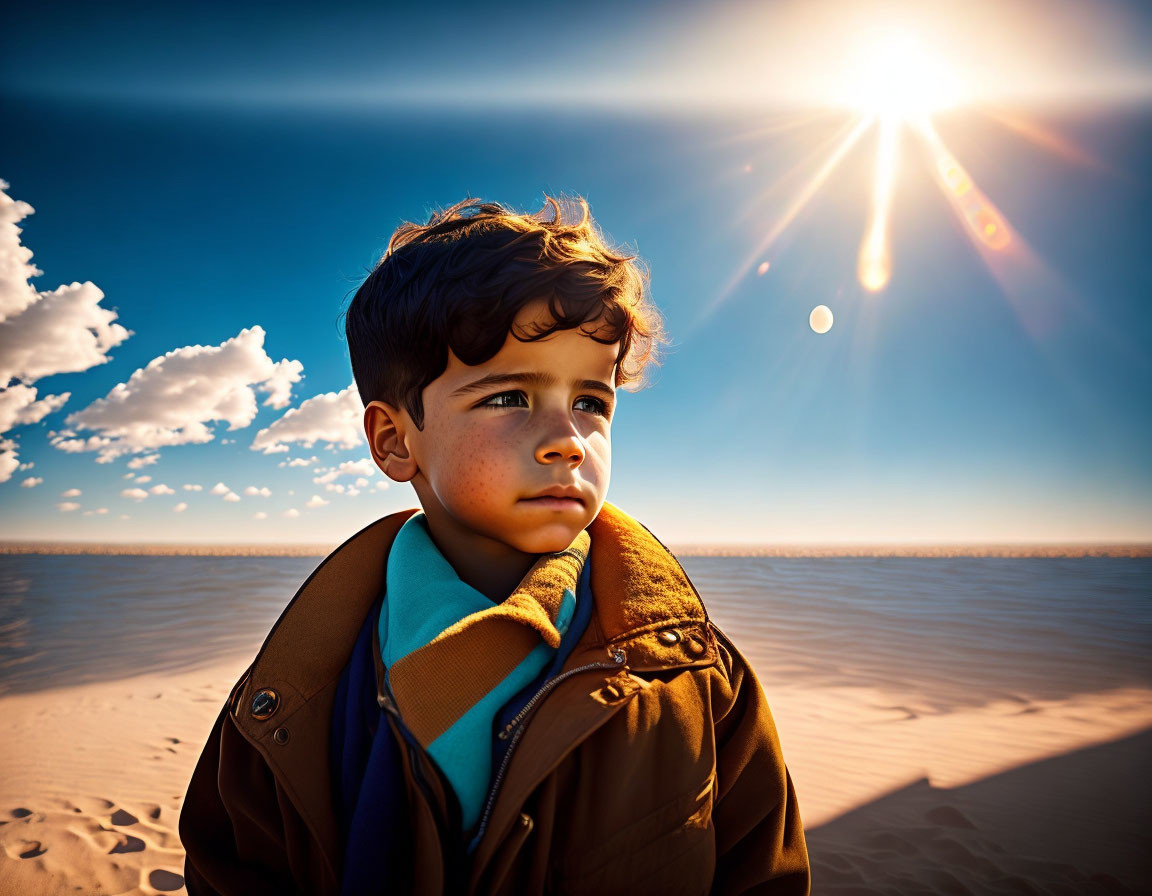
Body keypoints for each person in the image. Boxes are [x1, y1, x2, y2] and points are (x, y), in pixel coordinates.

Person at [179, 196, 810, 895]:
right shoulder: (289, 699)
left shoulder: (697, 676)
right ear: (395, 440)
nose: (568, 441)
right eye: (510, 397)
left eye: (591, 402)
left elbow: (764, 872)